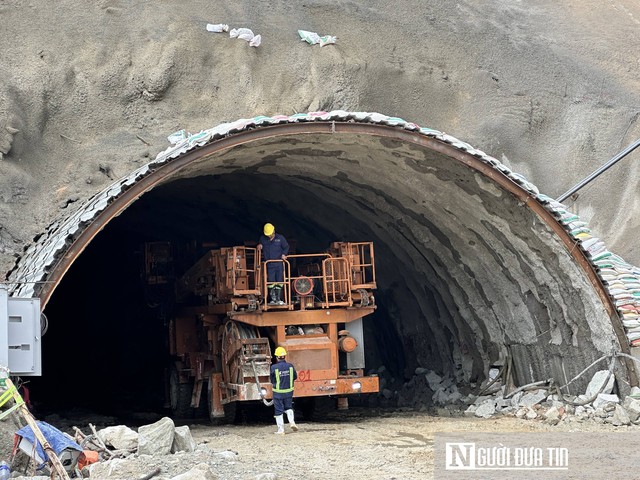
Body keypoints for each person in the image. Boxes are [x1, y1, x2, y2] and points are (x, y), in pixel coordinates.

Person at [258, 223, 289, 305]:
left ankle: (279, 299)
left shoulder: (280, 238)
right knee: (271, 282)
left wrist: (284, 254)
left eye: (270, 234)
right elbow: (260, 244)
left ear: (274, 231)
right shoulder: (263, 239)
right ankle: (273, 299)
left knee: (279, 281)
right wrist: (260, 246)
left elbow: (286, 247)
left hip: (279, 263)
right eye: (268, 235)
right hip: (269, 264)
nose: (269, 236)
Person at [270, 346, 298, 434]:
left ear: (277, 357)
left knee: (278, 410)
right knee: (288, 407)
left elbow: (272, 379)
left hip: (278, 393)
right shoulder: (290, 366)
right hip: (289, 392)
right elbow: (295, 377)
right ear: (284, 356)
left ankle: (281, 430)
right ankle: (292, 422)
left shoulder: (274, 367)